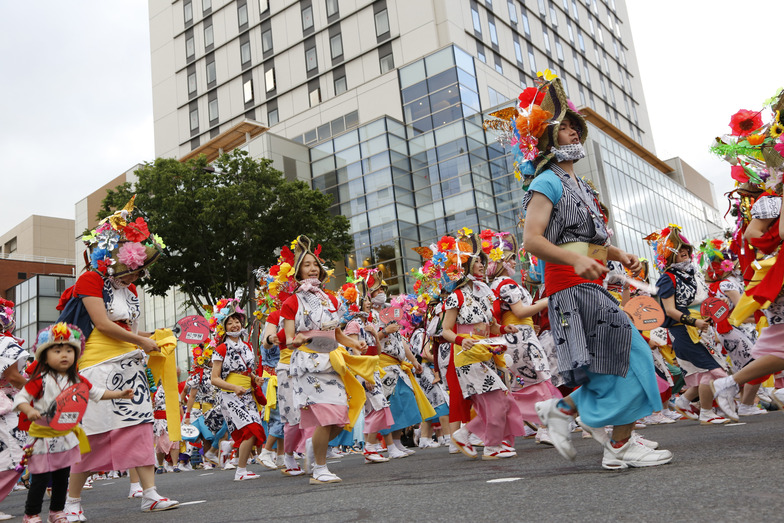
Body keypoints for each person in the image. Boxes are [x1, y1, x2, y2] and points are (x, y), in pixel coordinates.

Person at [519, 76, 672, 469]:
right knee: (628, 356)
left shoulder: (581, 185)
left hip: (591, 285)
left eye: (574, 126)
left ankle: (581, 422)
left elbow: (590, 242)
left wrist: (618, 254)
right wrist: (574, 259)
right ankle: (610, 439)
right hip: (570, 288)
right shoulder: (547, 181)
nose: (572, 131)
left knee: (611, 362)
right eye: (564, 127)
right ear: (548, 139)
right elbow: (532, 241)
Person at [65, 199, 178, 520]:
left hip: (131, 369)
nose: (136, 274)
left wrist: (149, 346)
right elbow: (102, 324)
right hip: (96, 369)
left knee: (141, 427)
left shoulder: (131, 291)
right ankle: (72, 502)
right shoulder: (89, 281)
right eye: (132, 267)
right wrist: (141, 341)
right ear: (113, 255)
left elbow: (133, 328)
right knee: (96, 434)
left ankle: (150, 494)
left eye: (139, 269)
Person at [14, 323, 133, 523]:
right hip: (42, 436)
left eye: (69, 350)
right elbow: (20, 399)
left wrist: (120, 393)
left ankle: (57, 512)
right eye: (57, 350)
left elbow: (95, 393)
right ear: (44, 355)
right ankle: (31, 514)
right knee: (41, 477)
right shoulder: (39, 380)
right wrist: (30, 410)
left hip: (66, 435)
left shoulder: (76, 379)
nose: (64, 355)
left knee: (62, 477)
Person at [282, 235, 374, 484]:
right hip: (308, 363)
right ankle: (320, 469)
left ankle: (314, 448)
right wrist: (299, 339)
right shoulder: (292, 302)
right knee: (328, 416)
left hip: (331, 360)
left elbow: (337, 333)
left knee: (340, 416)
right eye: (306, 265)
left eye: (315, 264)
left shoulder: (331, 299)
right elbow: (290, 338)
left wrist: (355, 343)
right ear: (298, 271)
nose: (312, 268)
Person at [440, 233, 525, 460]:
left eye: (481, 261)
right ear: (464, 265)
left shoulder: (484, 293)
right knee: (498, 399)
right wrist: (460, 340)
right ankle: (490, 445)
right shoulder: (455, 297)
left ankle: (465, 434)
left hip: (487, 351)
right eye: (476, 261)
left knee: (501, 401)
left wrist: (504, 330)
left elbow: (492, 327)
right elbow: (445, 330)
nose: (481, 265)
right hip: (468, 355)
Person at [648, 226, 733, 425]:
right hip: (684, 330)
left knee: (703, 371)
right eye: (677, 249)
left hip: (702, 329)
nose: (683, 251)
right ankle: (705, 412)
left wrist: (716, 310)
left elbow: (704, 302)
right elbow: (669, 310)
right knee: (713, 371)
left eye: (684, 247)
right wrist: (694, 321)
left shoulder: (694, 274)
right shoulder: (666, 278)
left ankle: (685, 402)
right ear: (668, 255)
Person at [209, 299, 265, 481]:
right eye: (230, 322)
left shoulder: (248, 346)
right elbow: (214, 378)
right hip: (230, 394)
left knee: (253, 429)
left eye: (237, 321)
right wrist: (234, 387)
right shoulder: (221, 348)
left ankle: (241, 468)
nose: (234, 325)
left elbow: (249, 371)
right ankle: (240, 470)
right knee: (250, 428)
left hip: (247, 393)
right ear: (224, 326)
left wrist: (255, 379)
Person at [340, 279, 393, 464]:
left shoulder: (368, 323)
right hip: (364, 371)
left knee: (377, 408)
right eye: (365, 299)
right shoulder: (354, 324)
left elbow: (377, 351)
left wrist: (374, 335)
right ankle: (369, 447)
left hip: (373, 369)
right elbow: (355, 351)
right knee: (379, 405)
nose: (369, 302)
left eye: (369, 298)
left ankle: (370, 448)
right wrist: (365, 375)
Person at [0, 299, 29, 520]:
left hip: (8, 404)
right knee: (14, 457)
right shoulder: (4, 344)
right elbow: (13, 377)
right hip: (6, 407)